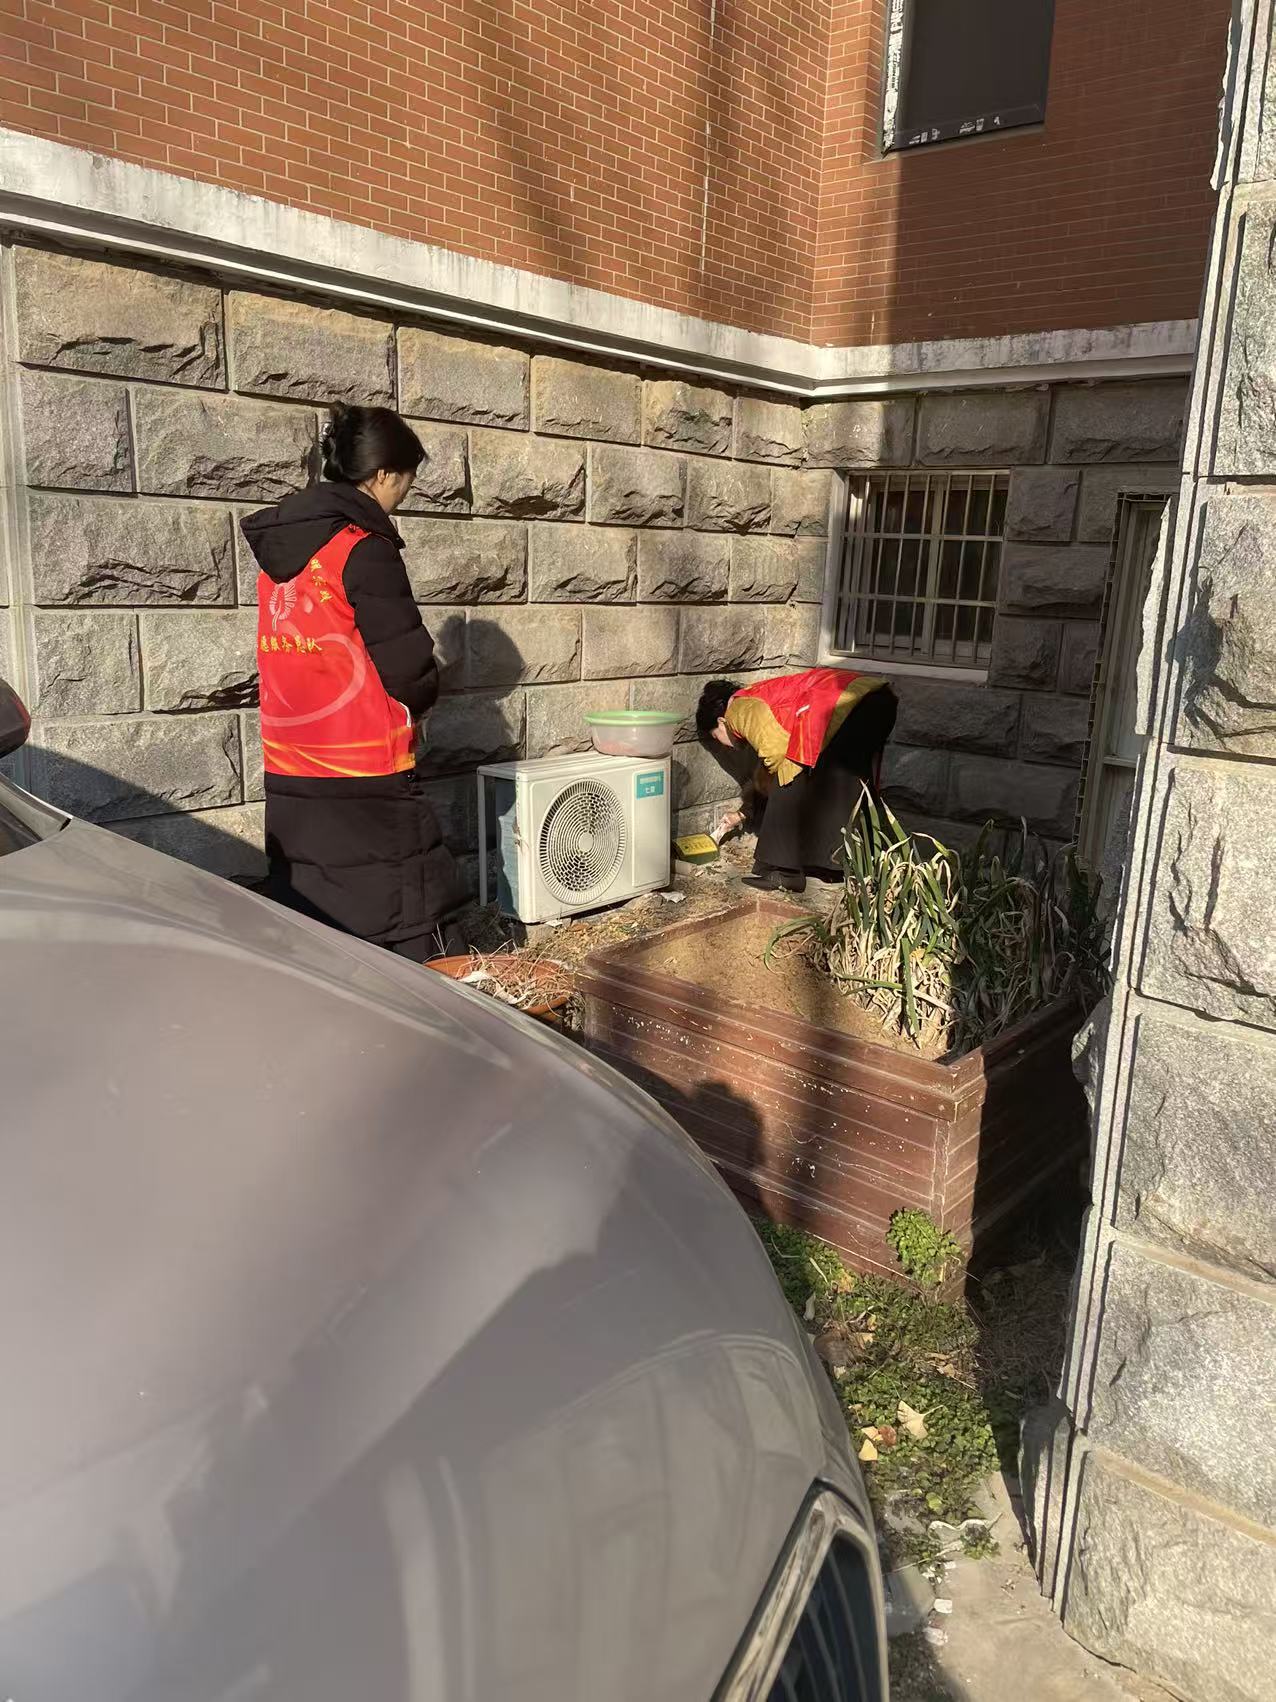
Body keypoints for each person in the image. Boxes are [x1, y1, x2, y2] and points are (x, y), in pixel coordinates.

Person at [242, 403, 463, 961]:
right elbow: (407, 666)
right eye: (406, 479)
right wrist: (424, 698)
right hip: (364, 764)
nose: (404, 494)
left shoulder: (281, 552)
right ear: (384, 474)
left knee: (313, 901)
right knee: (401, 909)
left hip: (290, 758)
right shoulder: (362, 546)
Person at [696, 667, 898, 894]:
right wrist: (745, 812)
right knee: (840, 785)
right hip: (876, 699)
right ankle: (838, 866)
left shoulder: (739, 709)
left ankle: (784, 872)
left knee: (787, 773)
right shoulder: (758, 693)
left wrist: (766, 790)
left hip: (852, 704)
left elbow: (777, 754)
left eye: (716, 736)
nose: (724, 745)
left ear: (721, 721)